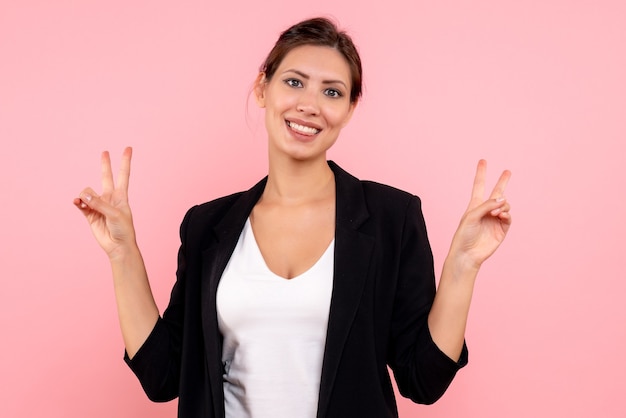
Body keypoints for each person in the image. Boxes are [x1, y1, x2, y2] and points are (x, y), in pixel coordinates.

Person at [74, 17, 511, 418]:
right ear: (263, 88)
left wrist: (463, 266)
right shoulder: (207, 225)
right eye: (295, 82)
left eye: (332, 91)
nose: (310, 105)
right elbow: (163, 376)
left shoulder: (390, 218)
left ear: (350, 109)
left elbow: (423, 381)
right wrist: (122, 254)